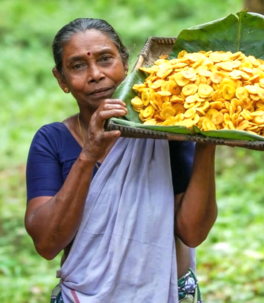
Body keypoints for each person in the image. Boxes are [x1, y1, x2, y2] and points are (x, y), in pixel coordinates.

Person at [25, 18, 217, 303]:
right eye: (78, 66)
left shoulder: (163, 132)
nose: (95, 74)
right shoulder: (52, 141)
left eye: (106, 60)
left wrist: (207, 141)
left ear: (127, 64)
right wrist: (88, 154)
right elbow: (47, 244)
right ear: (61, 79)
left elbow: (193, 232)